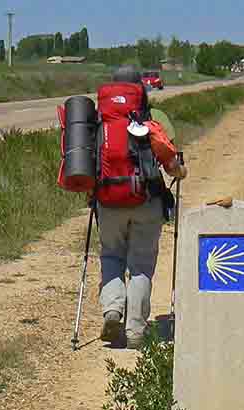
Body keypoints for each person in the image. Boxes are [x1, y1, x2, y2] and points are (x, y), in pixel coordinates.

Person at [98, 67, 187, 350]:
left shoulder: (100, 120)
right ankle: (135, 332)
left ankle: (113, 309)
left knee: (111, 256)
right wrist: (180, 172)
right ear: (141, 89)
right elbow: (172, 164)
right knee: (141, 265)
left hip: (108, 201)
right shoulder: (155, 119)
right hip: (145, 202)